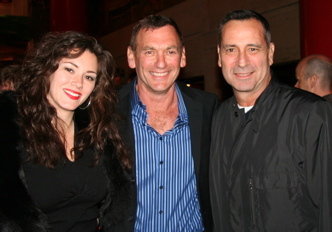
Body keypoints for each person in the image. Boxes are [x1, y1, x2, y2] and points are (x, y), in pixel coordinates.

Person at [210, 9, 332, 232]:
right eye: (231, 49)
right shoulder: (219, 119)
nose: (242, 61)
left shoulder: (310, 114)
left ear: (270, 53)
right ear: (219, 56)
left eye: (253, 48)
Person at [0, 31, 130, 232]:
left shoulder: (97, 133)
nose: (78, 83)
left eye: (89, 77)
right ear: (46, 70)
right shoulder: (10, 130)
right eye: (69, 69)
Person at [110, 15, 219, 231]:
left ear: (183, 56)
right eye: (149, 52)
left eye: (170, 51)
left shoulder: (208, 109)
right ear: (132, 57)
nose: (161, 63)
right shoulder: (106, 112)